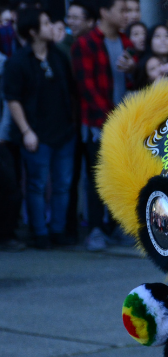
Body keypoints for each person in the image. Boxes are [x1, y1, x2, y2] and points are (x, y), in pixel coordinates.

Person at [4, 7, 77, 248]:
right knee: (36, 185)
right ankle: (40, 233)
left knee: (62, 184)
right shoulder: (18, 61)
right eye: (45, 23)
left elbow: (70, 89)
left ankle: (57, 231)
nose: (51, 26)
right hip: (36, 133)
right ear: (33, 31)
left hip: (64, 132)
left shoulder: (58, 56)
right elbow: (12, 98)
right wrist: (26, 131)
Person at [71, 0, 135, 251]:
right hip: (97, 124)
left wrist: (133, 69)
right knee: (96, 177)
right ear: (104, 12)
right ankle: (95, 229)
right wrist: (112, 118)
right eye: (122, 10)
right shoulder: (84, 44)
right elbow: (86, 88)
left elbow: (134, 81)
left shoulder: (126, 42)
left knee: (119, 175)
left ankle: (118, 226)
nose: (127, 15)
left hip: (123, 123)